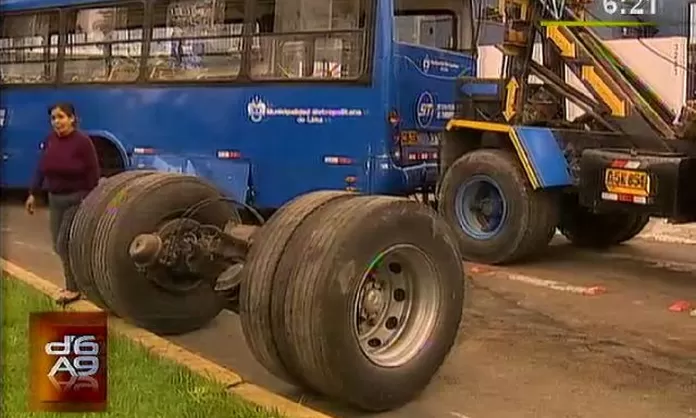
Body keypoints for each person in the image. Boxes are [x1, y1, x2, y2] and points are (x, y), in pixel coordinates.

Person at [25, 103, 101, 305]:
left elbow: (93, 172)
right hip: (55, 199)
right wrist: (33, 193)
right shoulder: (50, 141)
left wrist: (91, 198)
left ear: (72, 119)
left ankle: (73, 288)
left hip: (77, 198)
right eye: (53, 118)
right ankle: (80, 283)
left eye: (61, 117)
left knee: (64, 243)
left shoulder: (83, 142)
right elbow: (42, 168)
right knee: (58, 246)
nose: (57, 122)